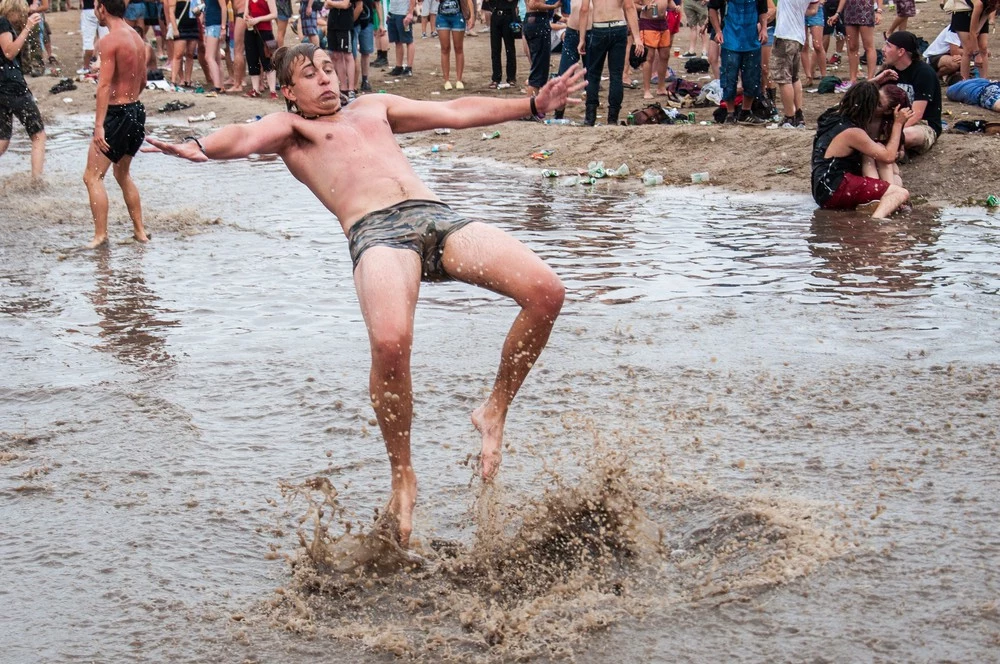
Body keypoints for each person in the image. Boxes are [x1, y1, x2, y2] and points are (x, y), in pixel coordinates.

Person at [146, 45, 584, 548]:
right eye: (310, 76)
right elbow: (244, 136)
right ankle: (402, 474)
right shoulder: (294, 131)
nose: (326, 81)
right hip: (378, 236)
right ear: (288, 92)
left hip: (437, 218)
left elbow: (455, 112)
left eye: (329, 69)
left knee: (546, 291)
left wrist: (532, 105)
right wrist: (202, 144)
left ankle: (494, 409)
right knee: (391, 343)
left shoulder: (374, 107)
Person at [84, 0, 149, 248]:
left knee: (92, 177)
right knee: (122, 174)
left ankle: (101, 236)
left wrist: (99, 125)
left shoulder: (109, 41)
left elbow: (103, 85)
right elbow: (142, 80)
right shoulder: (136, 37)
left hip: (117, 113)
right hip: (136, 110)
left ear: (102, 8)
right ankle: (140, 232)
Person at [811, 81, 911, 218]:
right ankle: (876, 221)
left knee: (895, 183)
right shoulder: (853, 133)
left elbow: (857, 94)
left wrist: (877, 80)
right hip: (835, 189)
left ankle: (872, 205)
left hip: (822, 188)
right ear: (868, 109)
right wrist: (898, 124)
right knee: (900, 193)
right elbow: (888, 156)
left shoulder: (832, 116)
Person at [876, 30, 942, 156]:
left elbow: (917, 114)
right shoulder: (888, 71)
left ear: (901, 52)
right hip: (892, 121)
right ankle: (892, 150)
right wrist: (875, 81)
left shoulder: (923, 73)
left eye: (888, 46)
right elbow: (865, 97)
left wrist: (894, 132)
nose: (883, 49)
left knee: (908, 135)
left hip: (922, 124)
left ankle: (891, 149)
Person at [578, 0, 644, 126]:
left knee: (593, 75)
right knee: (616, 76)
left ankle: (590, 117)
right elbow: (629, 7)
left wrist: (582, 38)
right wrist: (637, 37)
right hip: (618, 26)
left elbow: (584, 9)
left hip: (599, 27)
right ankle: (613, 119)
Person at [0, 0, 46, 179]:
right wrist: (27, 28)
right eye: (22, 13)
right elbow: (9, 52)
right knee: (38, 134)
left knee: (3, 140)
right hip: (12, 87)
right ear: (14, 11)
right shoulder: (3, 22)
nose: (23, 17)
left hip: (3, 88)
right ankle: (37, 182)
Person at [708, 0, 768, 125]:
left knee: (752, 78)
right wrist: (718, 30)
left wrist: (764, 29)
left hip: (752, 40)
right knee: (729, 77)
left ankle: (746, 112)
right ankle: (730, 113)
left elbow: (763, 10)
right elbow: (712, 8)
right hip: (730, 40)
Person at [770, 0, 818, 128]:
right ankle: (798, 114)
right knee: (794, 77)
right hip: (798, 36)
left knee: (783, 78)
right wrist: (798, 11)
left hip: (785, 35)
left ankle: (789, 117)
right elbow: (814, 10)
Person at [826, 0, 881, 92]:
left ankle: (871, 79)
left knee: (868, 46)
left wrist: (879, 11)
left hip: (865, 9)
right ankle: (852, 79)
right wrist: (838, 13)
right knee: (852, 46)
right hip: (849, 11)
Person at [951, 0, 996, 80]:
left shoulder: (993, 5)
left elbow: (982, 21)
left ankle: (984, 82)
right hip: (963, 14)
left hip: (981, 12)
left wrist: (978, 30)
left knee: (983, 47)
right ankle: (964, 81)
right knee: (968, 50)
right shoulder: (979, 4)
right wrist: (977, 55)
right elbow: (973, 32)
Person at [436, 0, 472, 89]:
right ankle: (446, 80)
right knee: (445, 48)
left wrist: (471, 16)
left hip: (458, 15)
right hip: (442, 16)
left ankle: (459, 79)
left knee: (458, 47)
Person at [245, 0, 278, 97]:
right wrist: (248, 19)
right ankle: (255, 89)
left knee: (269, 60)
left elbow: (274, 14)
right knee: (252, 59)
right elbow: (245, 14)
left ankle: (273, 91)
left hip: (266, 32)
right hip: (251, 31)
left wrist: (258, 19)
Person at [523, 0, 552, 97]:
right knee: (538, 72)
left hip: (533, 20)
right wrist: (554, 6)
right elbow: (533, 4)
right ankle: (530, 108)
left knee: (538, 69)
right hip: (538, 21)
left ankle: (534, 108)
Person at [488, 0, 516, 87]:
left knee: (510, 48)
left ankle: (511, 77)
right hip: (496, 14)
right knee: (495, 48)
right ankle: (496, 78)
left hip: (508, 15)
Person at [80, 0, 111, 73]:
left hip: (88, 9)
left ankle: (86, 67)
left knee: (88, 40)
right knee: (106, 39)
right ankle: (105, 66)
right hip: (103, 9)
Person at [386, 0, 415, 75]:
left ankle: (409, 68)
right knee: (397, 41)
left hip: (403, 13)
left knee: (408, 40)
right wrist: (389, 13)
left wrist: (410, 13)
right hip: (393, 12)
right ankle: (399, 66)